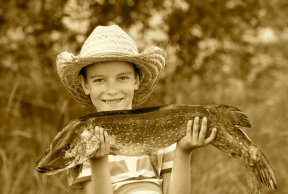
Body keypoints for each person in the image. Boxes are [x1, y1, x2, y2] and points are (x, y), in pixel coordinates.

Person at [56, 25, 217, 194]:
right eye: (99, 80)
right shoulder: (82, 142)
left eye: (122, 78)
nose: (112, 89)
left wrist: (184, 152)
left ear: (136, 80)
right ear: (85, 85)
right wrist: (98, 161)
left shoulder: (161, 131)